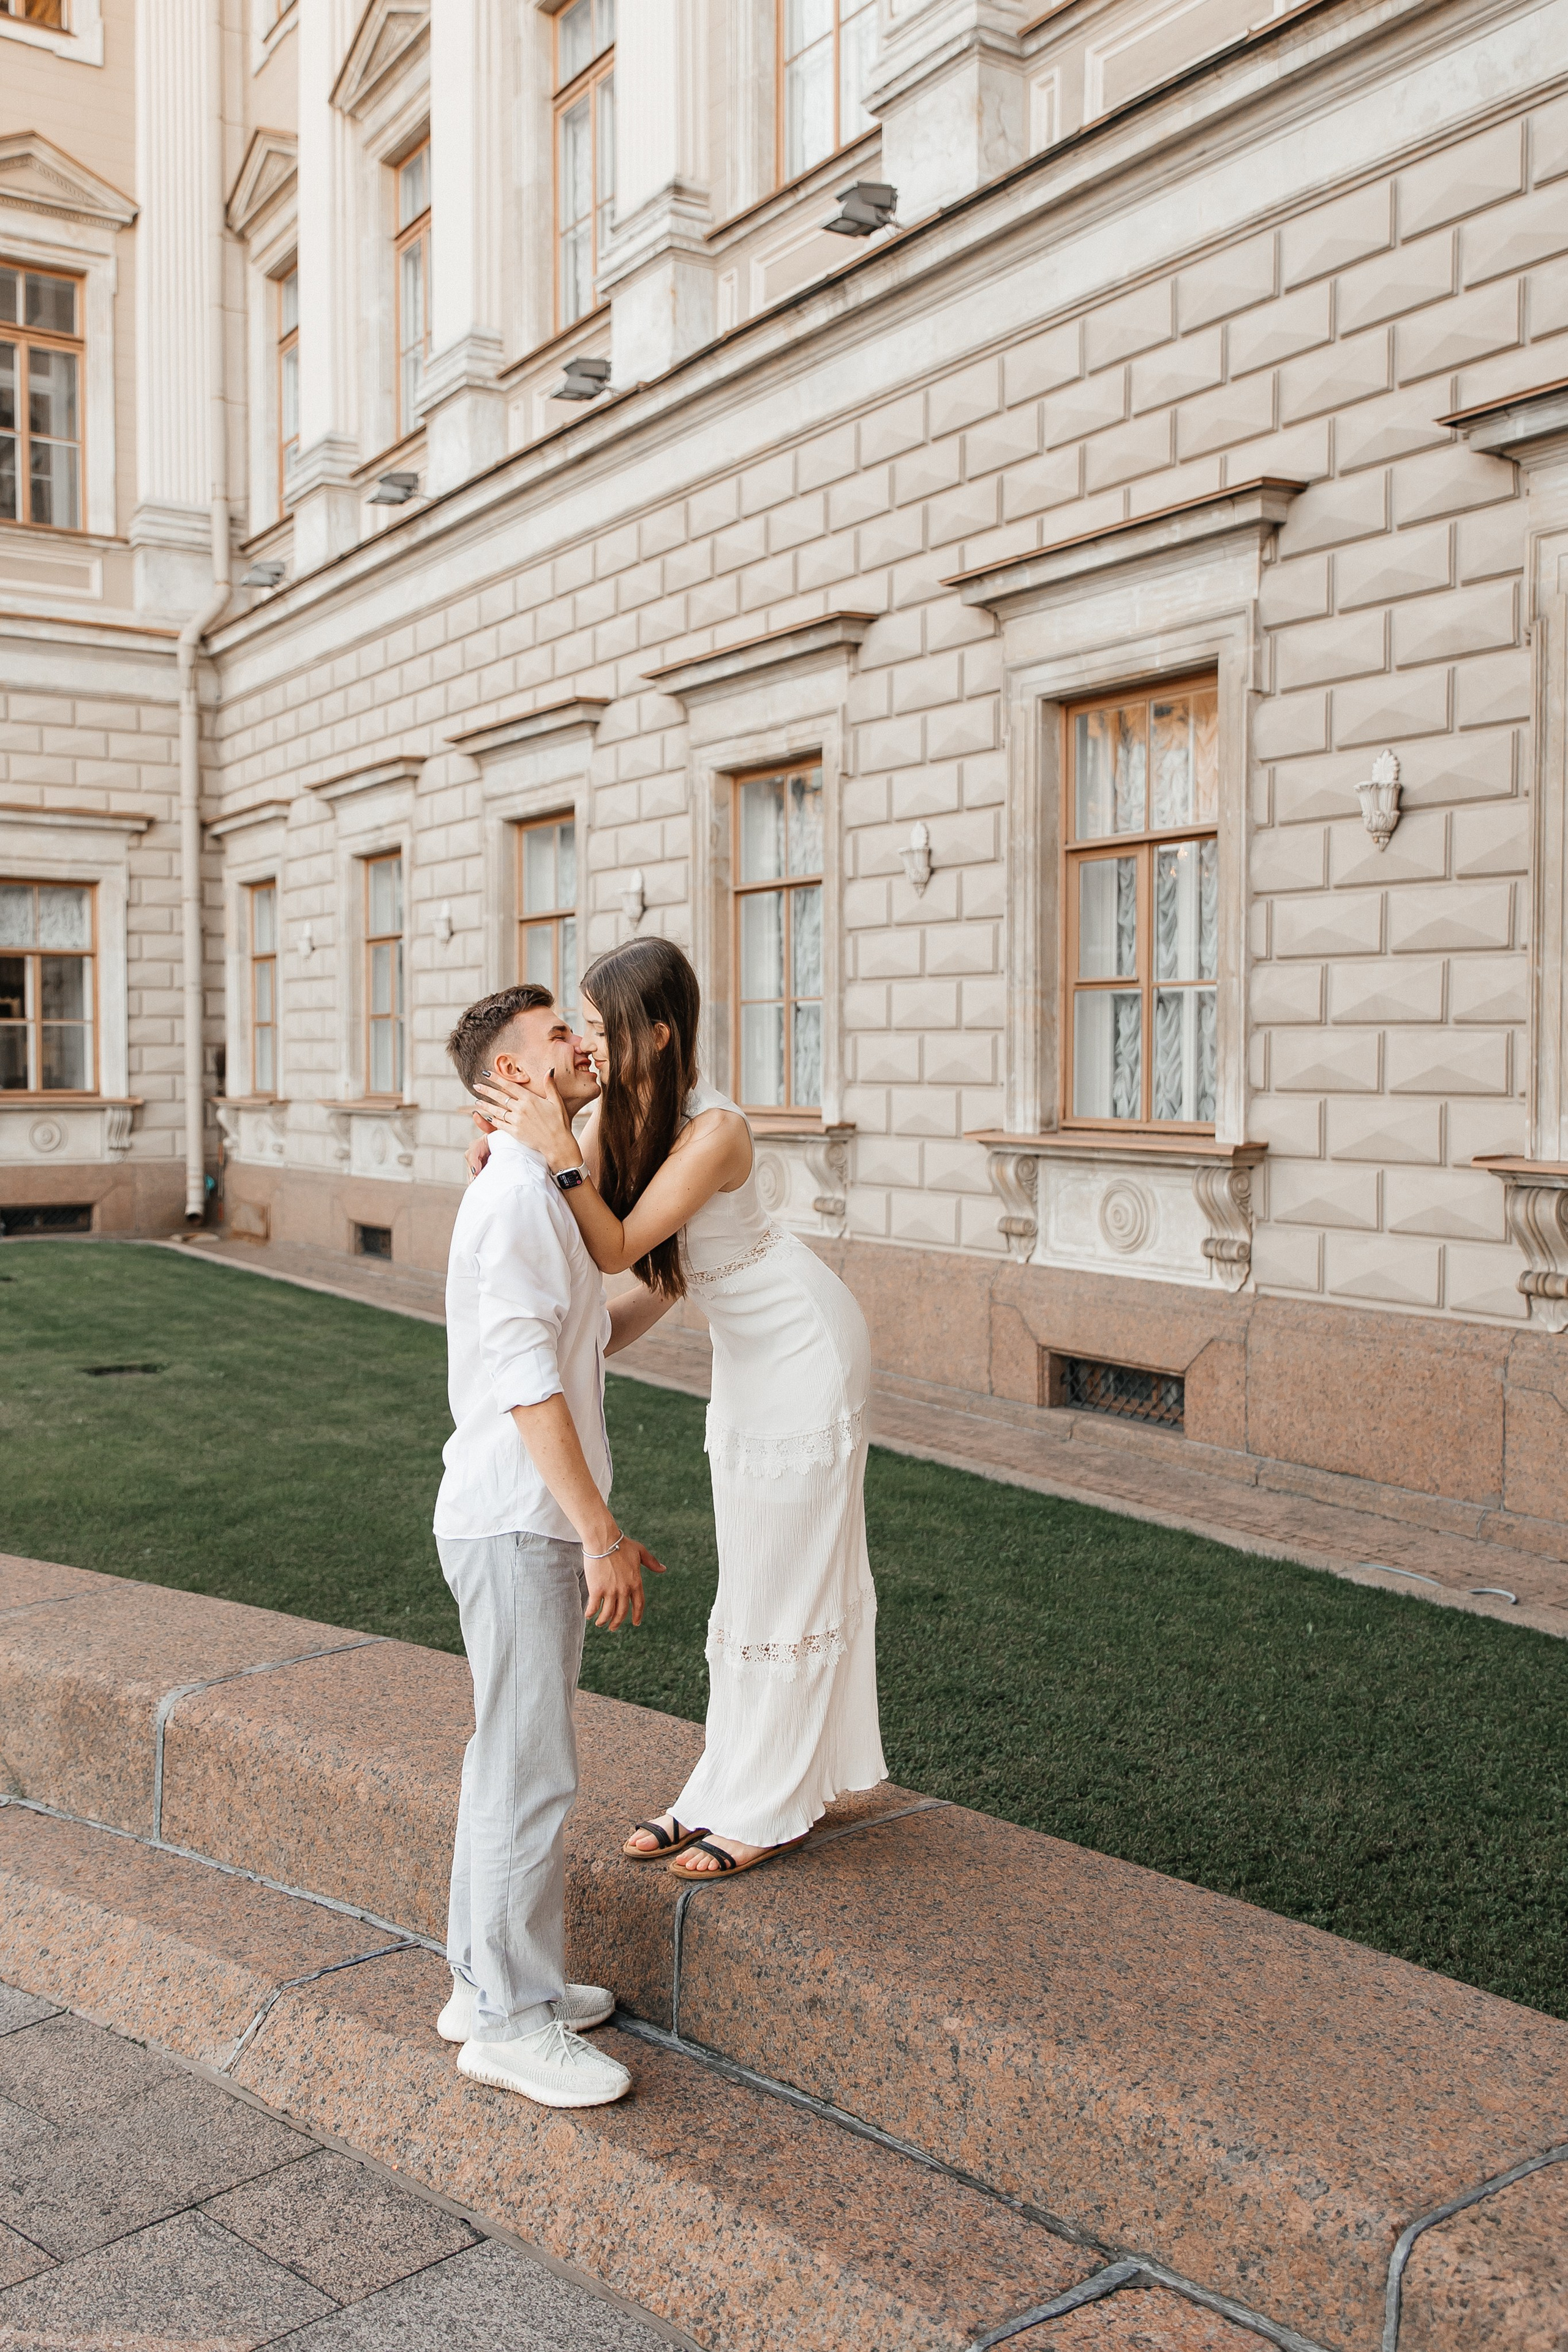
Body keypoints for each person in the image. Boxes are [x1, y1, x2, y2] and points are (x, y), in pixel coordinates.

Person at [473, 938, 886, 1881]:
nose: (587, 1045)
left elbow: (616, 1248)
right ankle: (718, 1789)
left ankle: (773, 1806)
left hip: (806, 1350)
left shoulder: (717, 1132)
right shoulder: (630, 1116)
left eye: (600, 1025)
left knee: (792, 1578)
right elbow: (648, 1262)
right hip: (746, 1362)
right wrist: (502, 1144)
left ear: (656, 1034)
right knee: (748, 1582)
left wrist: (557, 1157)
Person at [434, 982, 666, 2107]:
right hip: (520, 1521)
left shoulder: (532, 1187)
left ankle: (484, 1979)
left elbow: (584, 1335)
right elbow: (530, 1388)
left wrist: (669, 1283)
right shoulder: (519, 1199)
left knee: (505, 1759)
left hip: (506, 1516)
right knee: (530, 1772)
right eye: (559, 1038)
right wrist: (600, 1532)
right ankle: (511, 2023)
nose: (584, 1045)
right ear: (518, 1076)